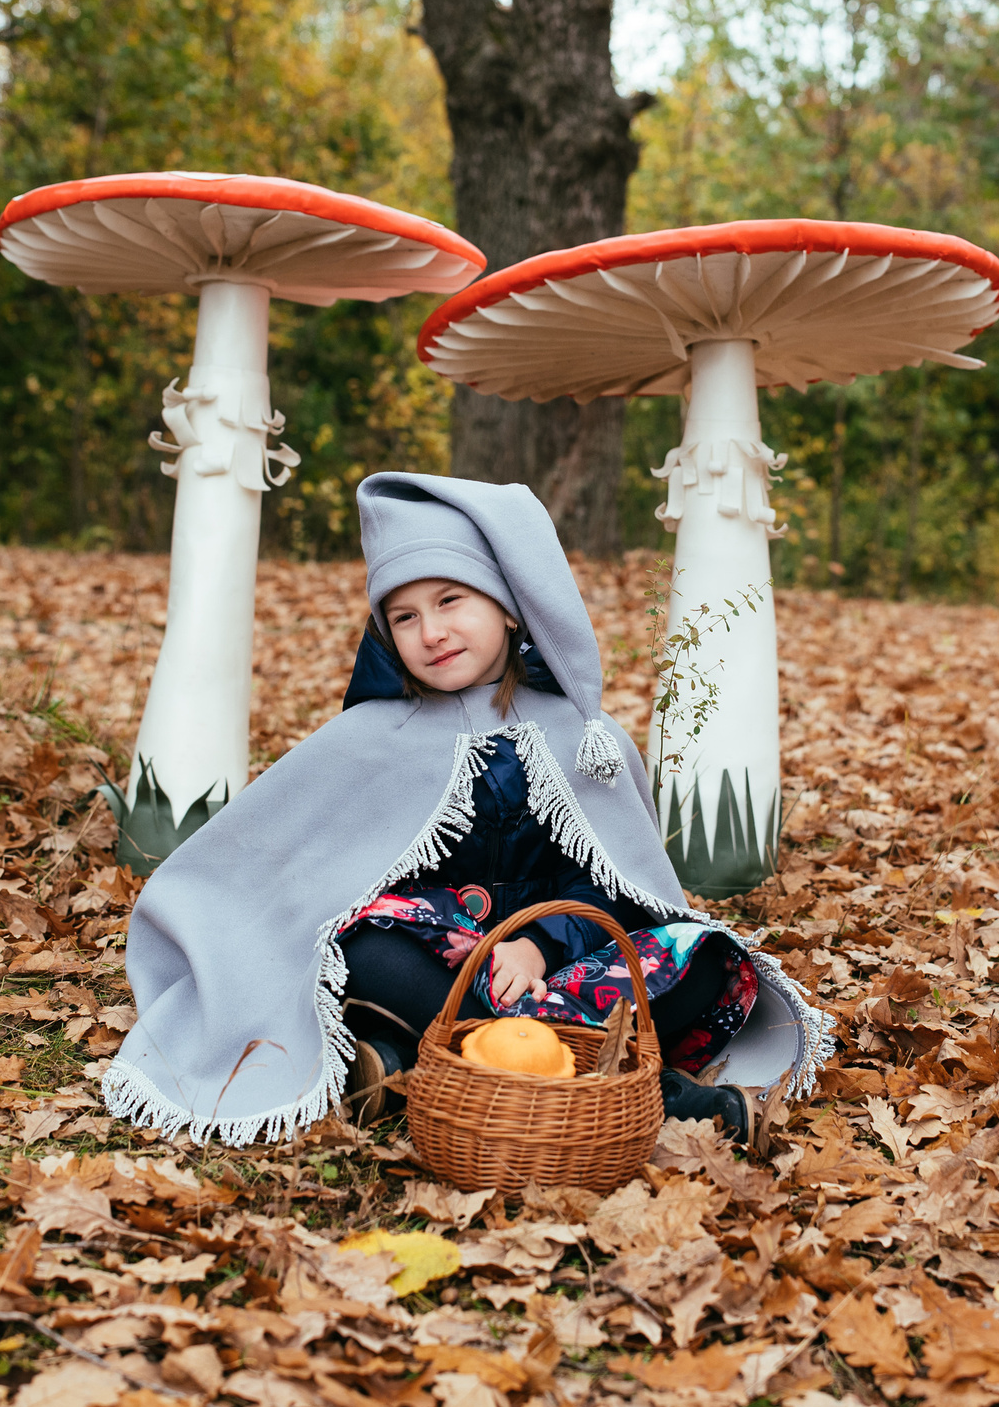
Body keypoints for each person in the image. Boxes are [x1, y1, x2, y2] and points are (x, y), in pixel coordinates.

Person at [101, 473, 827, 1151]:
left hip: (568, 964)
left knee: (697, 962)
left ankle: (412, 1066)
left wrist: (540, 945)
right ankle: (645, 1094)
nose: (432, 632)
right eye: (405, 615)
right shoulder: (373, 738)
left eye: (453, 600)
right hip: (442, 966)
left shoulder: (581, 736)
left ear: (509, 606)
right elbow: (299, 867)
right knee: (360, 953)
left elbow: (618, 879)